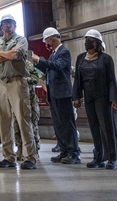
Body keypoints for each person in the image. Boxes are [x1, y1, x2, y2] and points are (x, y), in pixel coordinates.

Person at [0, 14, 37, 170]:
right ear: (1, 26)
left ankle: (30, 157)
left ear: (15, 25)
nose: (7, 26)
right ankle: (8, 157)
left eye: (10, 23)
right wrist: (6, 54)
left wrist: (0, 54)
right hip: (0, 83)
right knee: (3, 121)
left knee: (23, 119)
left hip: (17, 82)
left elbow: (16, 55)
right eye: (4, 23)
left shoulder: (21, 40)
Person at [72, 29, 117, 170]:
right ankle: (98, 157)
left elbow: (112, 80)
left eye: (91, 40)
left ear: (98, 43)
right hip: (89, 97)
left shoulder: (106, 59)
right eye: (86, 39)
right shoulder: (81, 58)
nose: (88, 42)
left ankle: (112, 158)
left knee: (106, 127)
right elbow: (78, 78)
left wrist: (114, 99)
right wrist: (76, 96)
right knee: (93, 126)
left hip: (103, 97)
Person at [33, 27, 80, 164]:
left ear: (52, 38)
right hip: (54, 94)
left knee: (67, 124)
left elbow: (58, 66)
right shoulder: (54, 53)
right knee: (58, 124)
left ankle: (73, 153)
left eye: (46, 40)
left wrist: (39, 61)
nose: (45, 43)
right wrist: (38, 64)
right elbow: (49, 69)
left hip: (63, 94)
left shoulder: (63, 52)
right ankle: (64, 150)